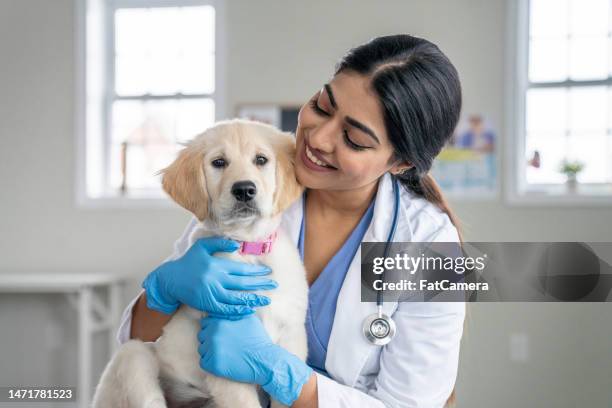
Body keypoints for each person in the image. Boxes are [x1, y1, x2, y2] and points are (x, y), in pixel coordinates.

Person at [117, 34, 466, 407]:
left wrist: (280, 373)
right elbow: (141, 337)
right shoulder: (256, 182)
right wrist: (165, 292)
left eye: (353, 138)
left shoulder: (431, 246)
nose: (318, 137)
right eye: (322, 105)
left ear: (400, 163)